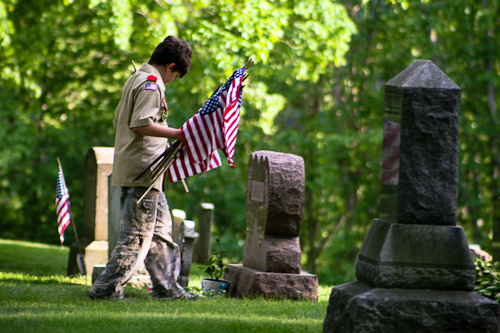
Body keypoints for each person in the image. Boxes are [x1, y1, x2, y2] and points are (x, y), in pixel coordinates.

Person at [89, 36, 198, 300]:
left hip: (146, 172)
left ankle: (167, 288)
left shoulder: (136, 77)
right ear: (171, 66)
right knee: (137, 236)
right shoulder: (151, 84)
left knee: (160, 234)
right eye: (177, 75)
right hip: (143, 173)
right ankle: (106, 288)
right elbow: (139, 124)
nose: (174, 81)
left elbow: (119, 120)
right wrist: (177, 134)